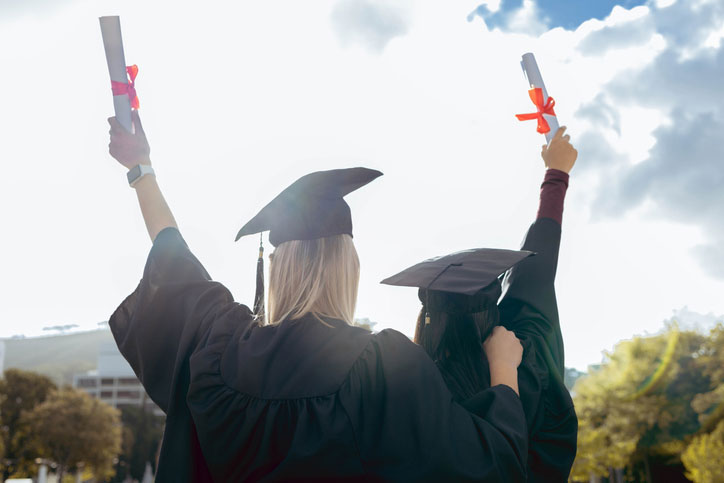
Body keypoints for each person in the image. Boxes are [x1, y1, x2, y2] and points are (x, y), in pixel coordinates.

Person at [107, 110, 532, 481]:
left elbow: (172, 256)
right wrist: (504, 370)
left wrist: (141, 168)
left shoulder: (219, 347)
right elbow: (489, 467)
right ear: (348, 268)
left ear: (276, 268)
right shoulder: (383, 366)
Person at [381, 127, 579, 482]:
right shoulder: (525, 353)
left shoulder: (409, 390)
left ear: (427, 315)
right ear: (493, 308)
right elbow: (537, 269)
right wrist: (556, 176)